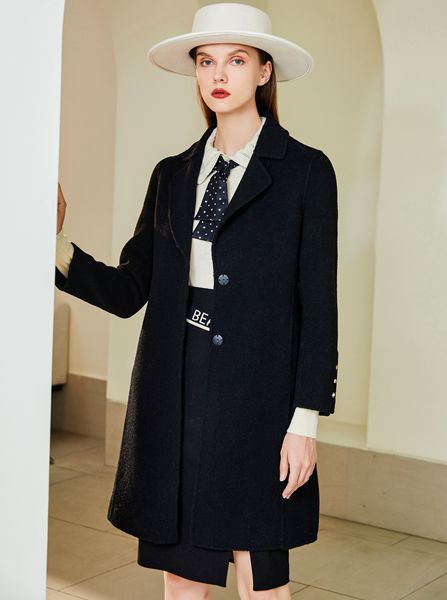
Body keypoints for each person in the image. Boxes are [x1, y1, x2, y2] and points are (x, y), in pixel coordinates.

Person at [56, 3, 338, 598]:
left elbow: (318, 307)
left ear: (264, 71)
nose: (219, 74)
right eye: (206, 61)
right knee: (181, 572)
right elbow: (131, 290)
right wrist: (55, 248)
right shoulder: (173, 175)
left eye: (236, 60)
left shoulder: (306, 173)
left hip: (260, 399)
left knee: (259, 573)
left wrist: (304, 421)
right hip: (175, 391)